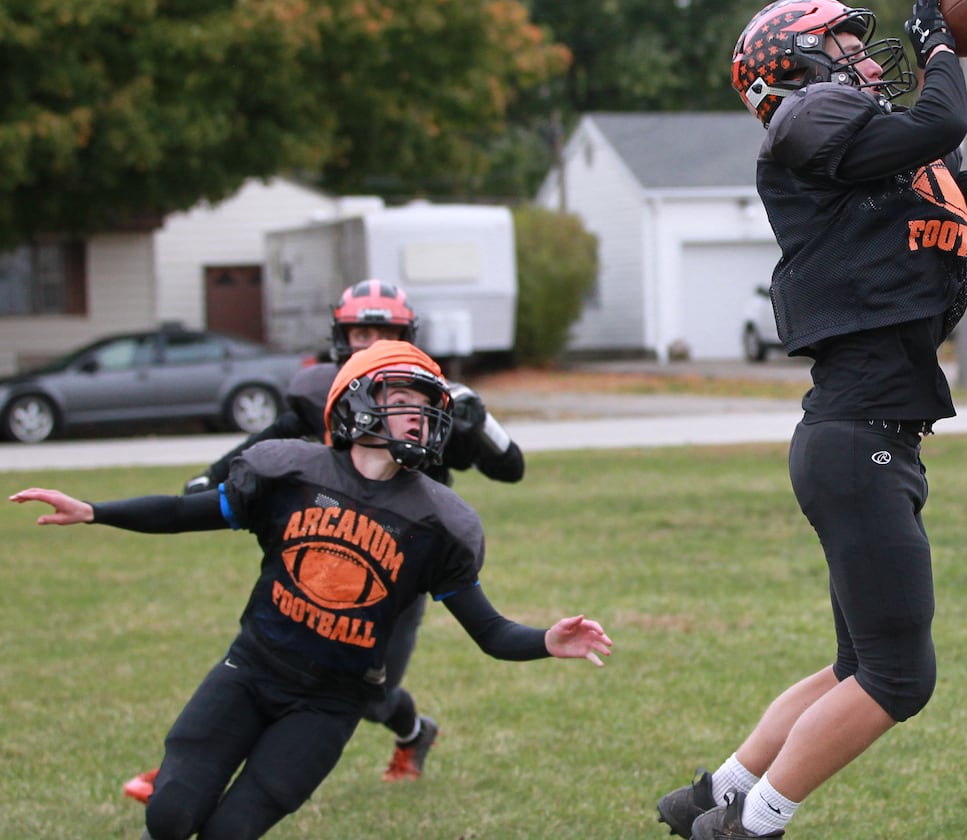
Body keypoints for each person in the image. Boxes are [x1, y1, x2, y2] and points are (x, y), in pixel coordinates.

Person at [656, 0, 967, 839]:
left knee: (857, 666)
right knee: (897, 678)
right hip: (855, 435)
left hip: (869, 434)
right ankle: (750, 827)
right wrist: (941, 45)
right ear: (793, 62)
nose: (862, 53)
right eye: (841, 40)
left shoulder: (888, 159)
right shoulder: (801, 120)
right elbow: (940, 120)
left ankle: (713, 798)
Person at [12, 340, 611, 840]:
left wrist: (544, 641)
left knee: (229, 832)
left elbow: (489, 631)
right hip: (248, 670)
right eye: (400, 400)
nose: (418, 415)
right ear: (357, 404)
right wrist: (94, 510)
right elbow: (179, 512)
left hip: (329, 703)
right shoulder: (289, 473)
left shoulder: (439, 523)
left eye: (426, 405)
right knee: (170, 814)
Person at [122, 279, 526, 805]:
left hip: (400, 563)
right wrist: (210, 478)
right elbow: (268, 440)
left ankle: (413, 731)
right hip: (314, 543)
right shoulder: (322, 393)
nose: (371, 344)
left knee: (372, 694)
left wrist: (481, 427)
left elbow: (511, 466)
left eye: (386, 332)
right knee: (263, 657)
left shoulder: (430, 398)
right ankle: (189, 768)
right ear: (341, 337)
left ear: (410, 338)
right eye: (361, 331)